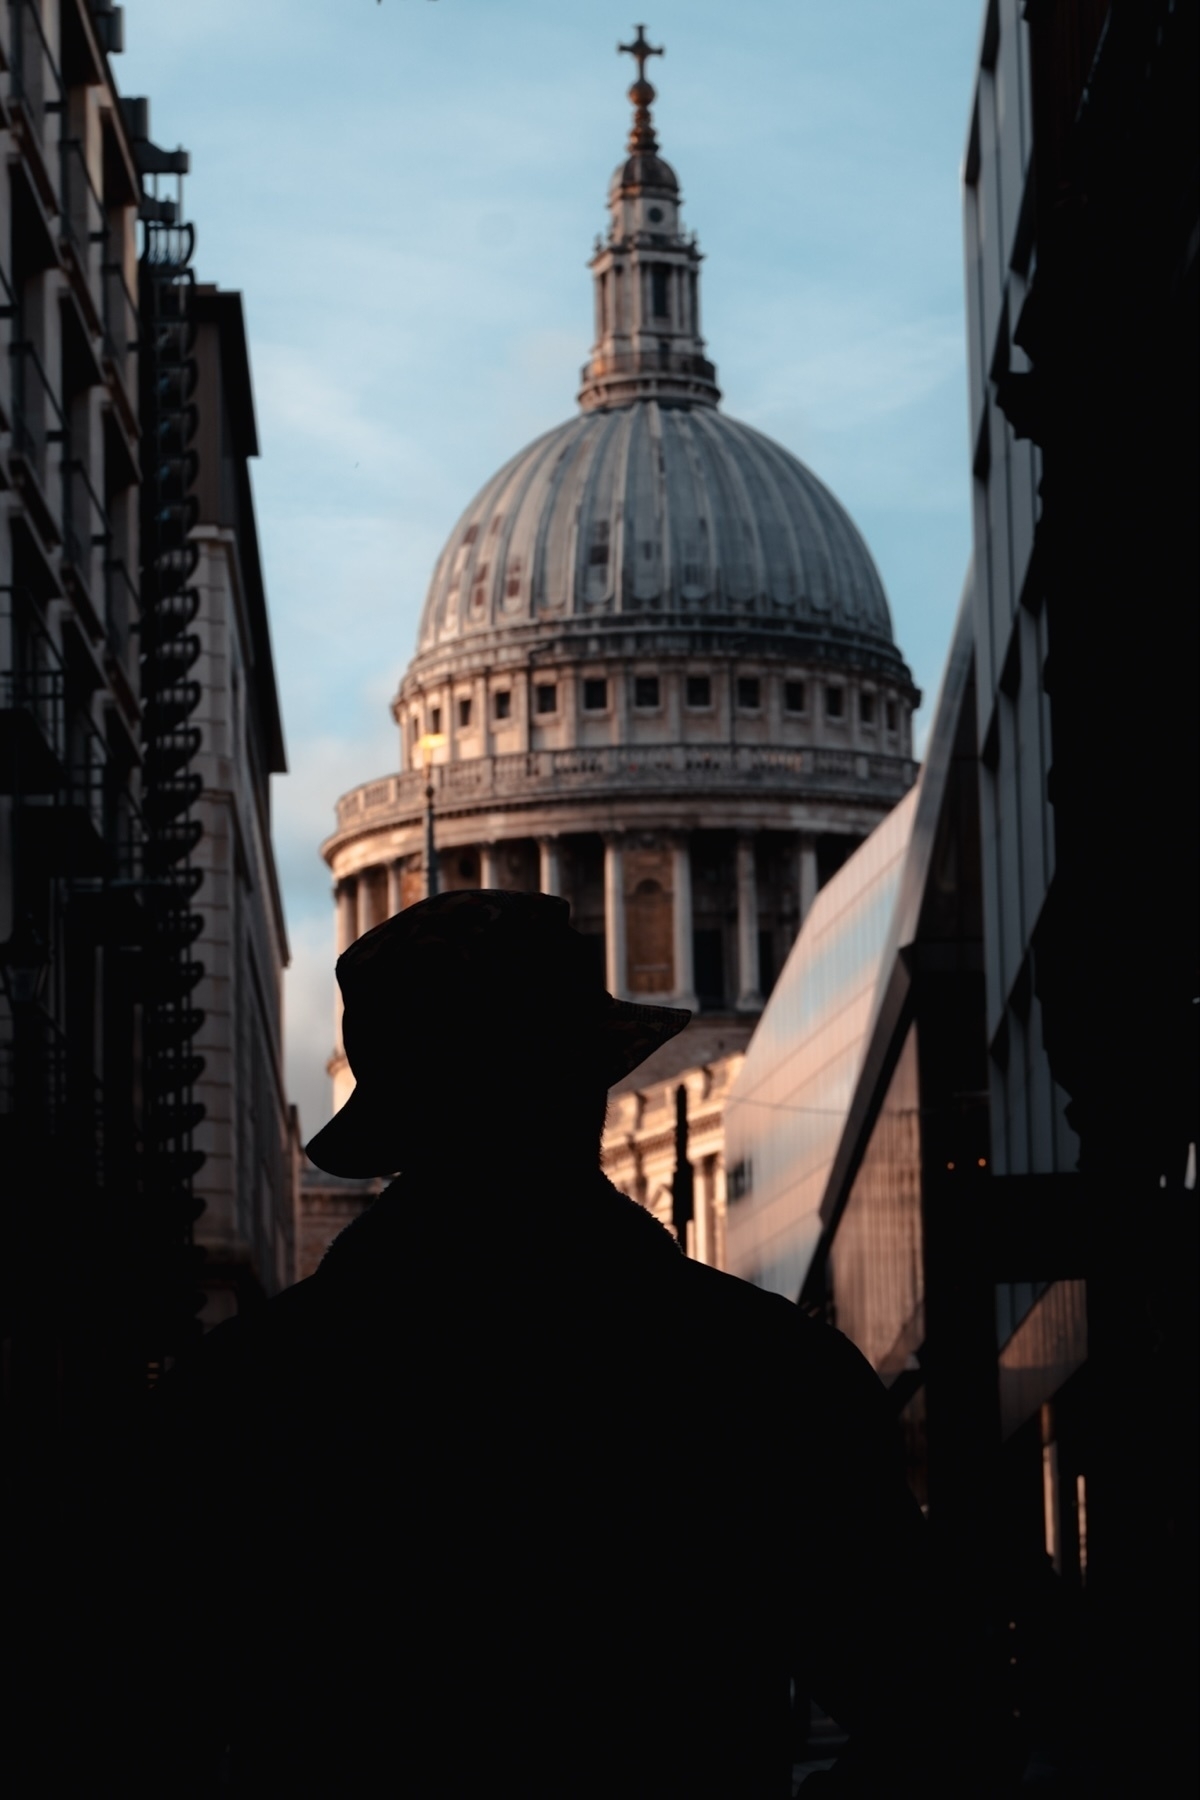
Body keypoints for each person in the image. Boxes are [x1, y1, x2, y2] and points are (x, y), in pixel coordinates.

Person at [131, 890, 951, 1796]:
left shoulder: (243, 1400)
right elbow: (936, 1719)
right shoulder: (762, 1374)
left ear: (394, 1115)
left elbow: (140, 1733)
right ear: (589, 1084)